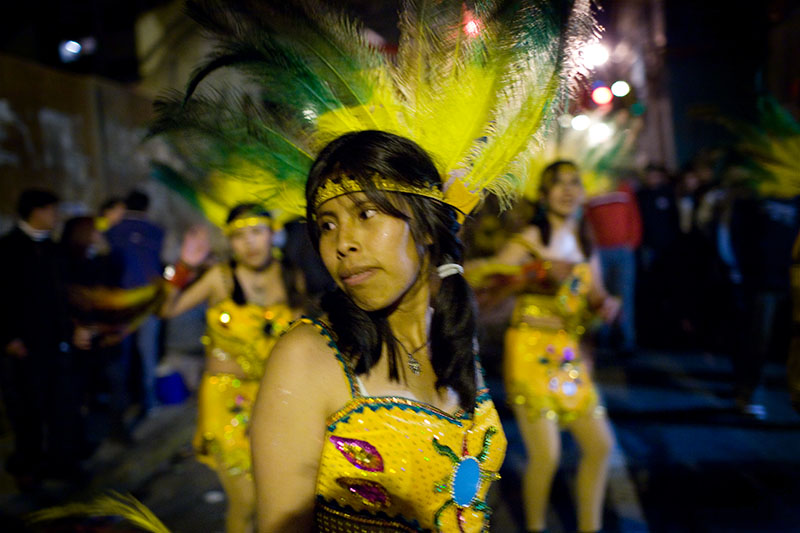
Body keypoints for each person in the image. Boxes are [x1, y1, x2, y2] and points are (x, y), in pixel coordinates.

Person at [250, 131, 507, 532]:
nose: (342, 243)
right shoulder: (308, 357)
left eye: (366, 214)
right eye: (327, 224)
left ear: (424, 227)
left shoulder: (453, 335)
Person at [481, 162, 619, 533]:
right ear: (543, 195)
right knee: (547, 455)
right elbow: (483, 279)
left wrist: (606, 303)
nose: (567, 190)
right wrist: (533, 272)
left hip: (571, 355)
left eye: (575, 182)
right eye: (557, 184)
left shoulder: (586, 244)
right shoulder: (528, 239)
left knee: (600, 446)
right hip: (529, 351)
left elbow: (596, 293)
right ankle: (536, 527)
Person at [161, 204, 297, 533]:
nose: (249, 243)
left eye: (256, 232)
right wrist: (183, 267)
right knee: (246, 501)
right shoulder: (219, 278)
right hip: (226, 401)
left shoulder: (293, 275)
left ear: (272, 233)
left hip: (277, 399)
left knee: (280, 500)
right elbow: (167, 309)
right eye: (238, 236)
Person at [0, 189, 84, 487]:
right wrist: (8, 338)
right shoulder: (8, 249)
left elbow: (68, 294)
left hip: (58, 342)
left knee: (62, 405)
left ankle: (63, 463)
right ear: (35, 211)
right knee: (26, 410)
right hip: (23, 347)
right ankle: (29, 464)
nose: (56, 217)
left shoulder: (55, 249)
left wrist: (74, 327)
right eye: (52, 210)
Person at [105, 190, 165, 422]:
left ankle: (123, 403)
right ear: (147, 207)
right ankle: (149, 401)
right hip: (149, 302)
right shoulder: (156, 231)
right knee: (148, 353)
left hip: (122, 303)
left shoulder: (113, 232)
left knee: (123, 354)